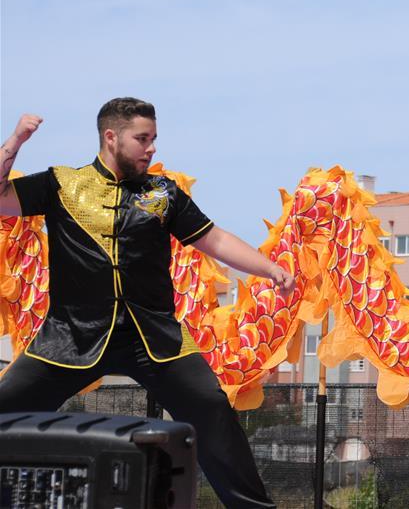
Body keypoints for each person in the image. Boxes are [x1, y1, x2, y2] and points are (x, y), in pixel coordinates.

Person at [0, 98, 294, 508]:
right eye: (142, 139)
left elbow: (215, 238)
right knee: (5, 409)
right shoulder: (61, 183)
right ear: (111, 137)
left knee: (212, 409)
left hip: (155, 337)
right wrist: (16, 140)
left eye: (153, 138)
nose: (151, 148)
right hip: (71, 336)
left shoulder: (161, 193)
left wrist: (269, 268)